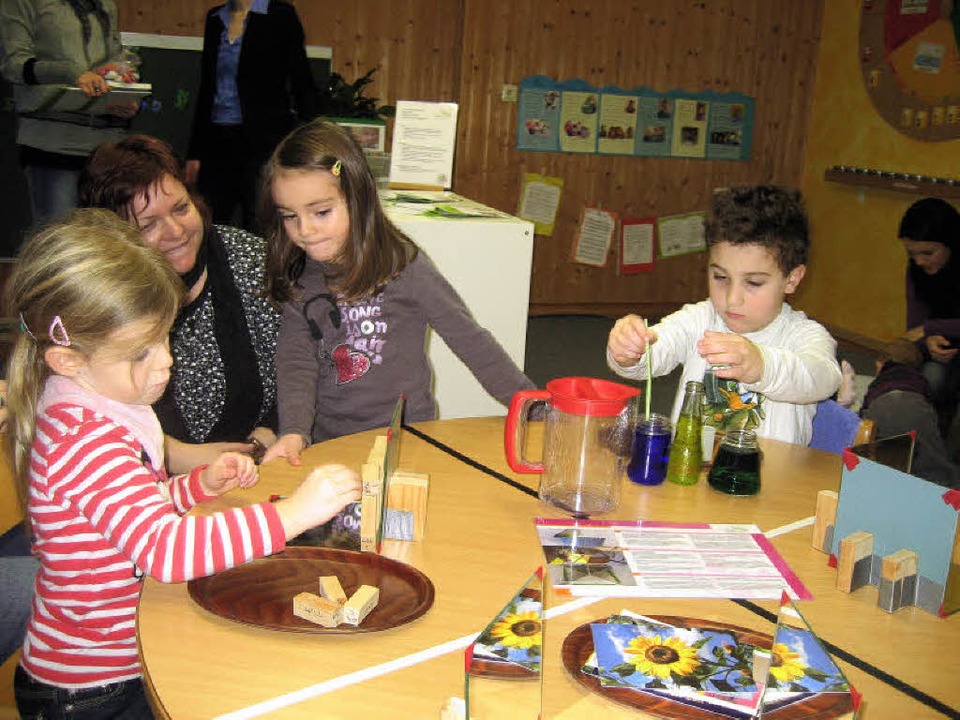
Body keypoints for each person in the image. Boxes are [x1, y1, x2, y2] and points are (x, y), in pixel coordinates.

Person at [5, 209, 360, 719]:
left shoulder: (99, 397)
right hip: (92, 689)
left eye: (165, 338)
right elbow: (165, 552)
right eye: (141, 352)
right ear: (69, 359)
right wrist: (294, 514)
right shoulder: (86, 441)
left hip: (118, 656)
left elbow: (128, 513)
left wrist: (194, 486)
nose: (165, 362)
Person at [258, 119, 536, 465]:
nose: (305, 230)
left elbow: (471, 341)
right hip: (329, 442)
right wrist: (294, 432)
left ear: (358, 197)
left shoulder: (404, 266)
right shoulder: (302, 276)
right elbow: (296, 361)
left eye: (321, 212)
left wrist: (533, 408)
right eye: (289, 216)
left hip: (406, 438)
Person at [78, 134, 280, 472]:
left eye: (181, 208)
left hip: (261, 464)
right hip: (144, 482)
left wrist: (265, 437)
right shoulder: (99, 297)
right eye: (149, 225)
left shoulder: (251, 261)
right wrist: (173, 454)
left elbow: (308, 363)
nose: (175, 231)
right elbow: (87, 407)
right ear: (113, 236)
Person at [606, 185, 841, 446]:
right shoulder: (698, 319)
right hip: (692, 476)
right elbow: (651, 355)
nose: (732, 299)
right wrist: (630, 349)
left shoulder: (804, 335)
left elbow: (823, 378)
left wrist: (762, 365)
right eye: (720, 277)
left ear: (792, 279)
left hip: (771, 482)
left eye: (753, 283)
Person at [0, 0, 139, 225]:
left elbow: (111, 63)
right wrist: (71, 72)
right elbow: (14, 65)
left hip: (107, 149)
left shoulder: (105, 4)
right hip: (53, 143)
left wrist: (123, 92)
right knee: (61, 244)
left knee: (107, 245)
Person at [185, 0, 319, 231]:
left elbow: (301, 79)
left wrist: (316, 137)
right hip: (217, 140)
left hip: (264, 140)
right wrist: (195, 152)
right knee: (210, 219)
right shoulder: (215, 18)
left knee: (260, 220)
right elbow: (207, 87)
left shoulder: (280, 14)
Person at [897, 197, 960, 436]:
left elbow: (921, 327)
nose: (919, 261)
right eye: (912, 253)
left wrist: (929, 328)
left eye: (928, 252)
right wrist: (928, 339)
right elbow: (914, 327)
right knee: (929, 378)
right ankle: (930, 444)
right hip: (940, 349)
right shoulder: (916, 271)